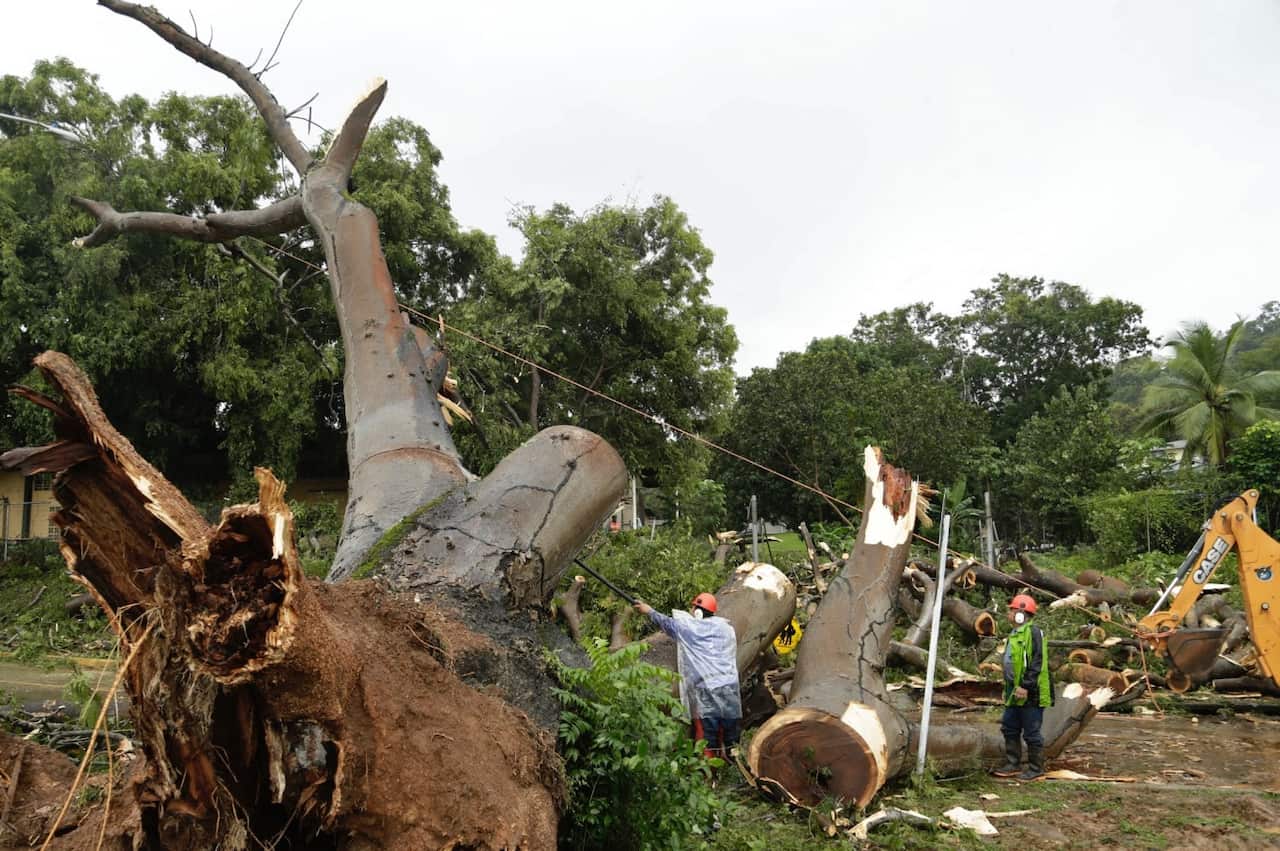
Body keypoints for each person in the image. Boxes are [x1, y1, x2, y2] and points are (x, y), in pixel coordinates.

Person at [634, 593, 742, 757]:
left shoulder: (691, 629)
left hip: (708, 690)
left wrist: (648, 610)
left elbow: (666, 623)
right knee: (731, 736)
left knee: (708, 737)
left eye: (693, 608)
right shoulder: (726, 628)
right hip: (730, 688)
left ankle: (709, 777)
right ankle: (735, 768)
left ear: (698, 611)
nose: (691, 611)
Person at [993, 593, 1053, 780]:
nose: (1009, 614)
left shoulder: (1033, 633)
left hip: (1031, 692)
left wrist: (1026, 686)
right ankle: (1013, 763)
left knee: (1031, 732)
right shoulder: (1014, 634)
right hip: (1014, 690)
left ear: (1021, 613)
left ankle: (1036, 768)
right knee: (1009, 726)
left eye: (1012, 610)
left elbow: (1037, 662)